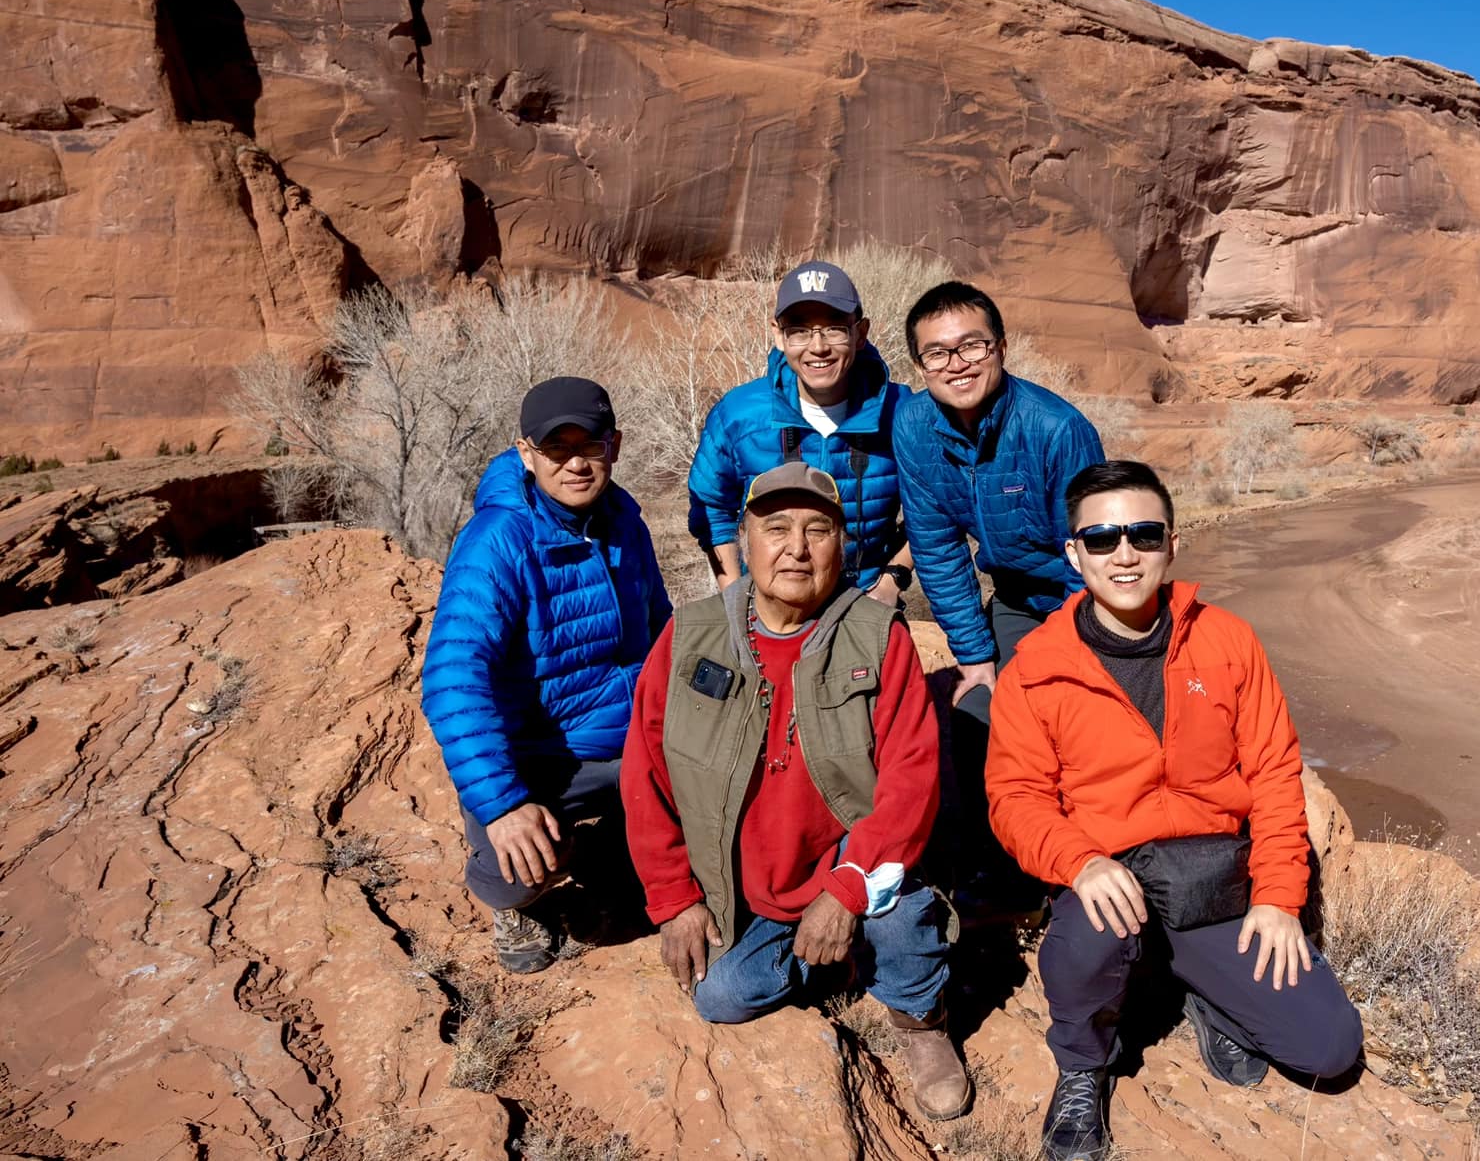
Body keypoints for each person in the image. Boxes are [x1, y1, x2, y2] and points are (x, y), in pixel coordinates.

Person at [986, 461, 1364, 1160]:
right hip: (1111, 875)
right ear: (1073, 553)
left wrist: (1280, 897)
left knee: (1329, 1049)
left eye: (1142, 534)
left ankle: (1203, 990)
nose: (1123, 554)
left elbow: (1276, 775)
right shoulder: (1037, 667)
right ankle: (1082, 1067)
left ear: (1172, 544)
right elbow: (1016, 799)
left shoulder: (1228, 642)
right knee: (1086, 944)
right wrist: (1080, 860)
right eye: (1100, 539)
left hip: (1211, 877)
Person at [621, 462, 970, 1121]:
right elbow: (646, 776)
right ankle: (835, 961)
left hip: (849, 862)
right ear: (745, 541)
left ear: (843, 546)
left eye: (818, 529)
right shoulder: (692, 633)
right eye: (776, 527)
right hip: (748, 888)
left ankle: (921, 1018)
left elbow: (909, 782)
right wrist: (674, 898)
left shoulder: (878, 639)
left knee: (891, 907)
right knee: (721, 997)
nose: (797, 547)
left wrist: (842, 892)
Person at [420, 377, 671, 974]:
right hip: (539, 753)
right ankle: (512, 893)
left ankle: (606, 845)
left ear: (615, 444)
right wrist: (504, 804)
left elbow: (662, 629)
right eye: (557, 448)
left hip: (626, 737)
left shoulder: (625, 523)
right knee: (524, 867)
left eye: (592, 444)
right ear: (527, 452)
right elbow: (453, 678)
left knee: (720, 794)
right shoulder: (497, 542)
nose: (577, 462)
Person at [893, 281, 1105, 905]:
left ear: (1001, 347)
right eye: (937, 353)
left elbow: (1092, 557)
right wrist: (976, 657)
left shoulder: (1056, 429)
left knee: (1064, 712)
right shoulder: (913, 426)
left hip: (1085, 598)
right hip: (1015, 594)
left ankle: (1088, 855)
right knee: (979, 709)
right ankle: (999, 869)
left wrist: (1060, 654)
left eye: (972, 346)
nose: (956, 364)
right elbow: (935, 547)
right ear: (919, 365)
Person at [688, 260, 915, 606]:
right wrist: (735, 598)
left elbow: (938, 506)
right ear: (779, 335)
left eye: (835, 329)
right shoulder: (739, 415)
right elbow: (712, 508)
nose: (818, 346)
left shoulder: (902, 413)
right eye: (800, 330)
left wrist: (891, 581)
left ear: (860, 332)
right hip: (767, 609)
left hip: (865, 603)